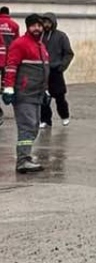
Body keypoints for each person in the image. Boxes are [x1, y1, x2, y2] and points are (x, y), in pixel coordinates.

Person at [4, 15, 49, 173]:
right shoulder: (20, 44)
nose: (37, 28)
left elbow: (43, 71)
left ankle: (26, 158)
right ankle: (22, 161)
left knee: (34, 127)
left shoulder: (40, 46)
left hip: (36, 94)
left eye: (39, 25)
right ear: (27, 27)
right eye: (33, 26)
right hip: (24, 93)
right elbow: (11, 66)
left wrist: (45, 90)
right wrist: (8, 87)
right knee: (27, 126)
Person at [39, 13, 74, 128]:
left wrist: (61, 67)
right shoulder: (39, 36)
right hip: (43, 71)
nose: (46, 25)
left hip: (56, 71)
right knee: (43, 98)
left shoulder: (61, 36)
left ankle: (65, 116)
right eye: (44, 22)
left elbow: (68, 53)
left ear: (53, 23)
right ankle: (45, 120)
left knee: (60, 97)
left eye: (48, 22)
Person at [0, 7, 20, 126]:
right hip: (9, 56)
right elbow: (17, 42)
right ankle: (5, 89)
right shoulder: (14, 25)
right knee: (8, 79)